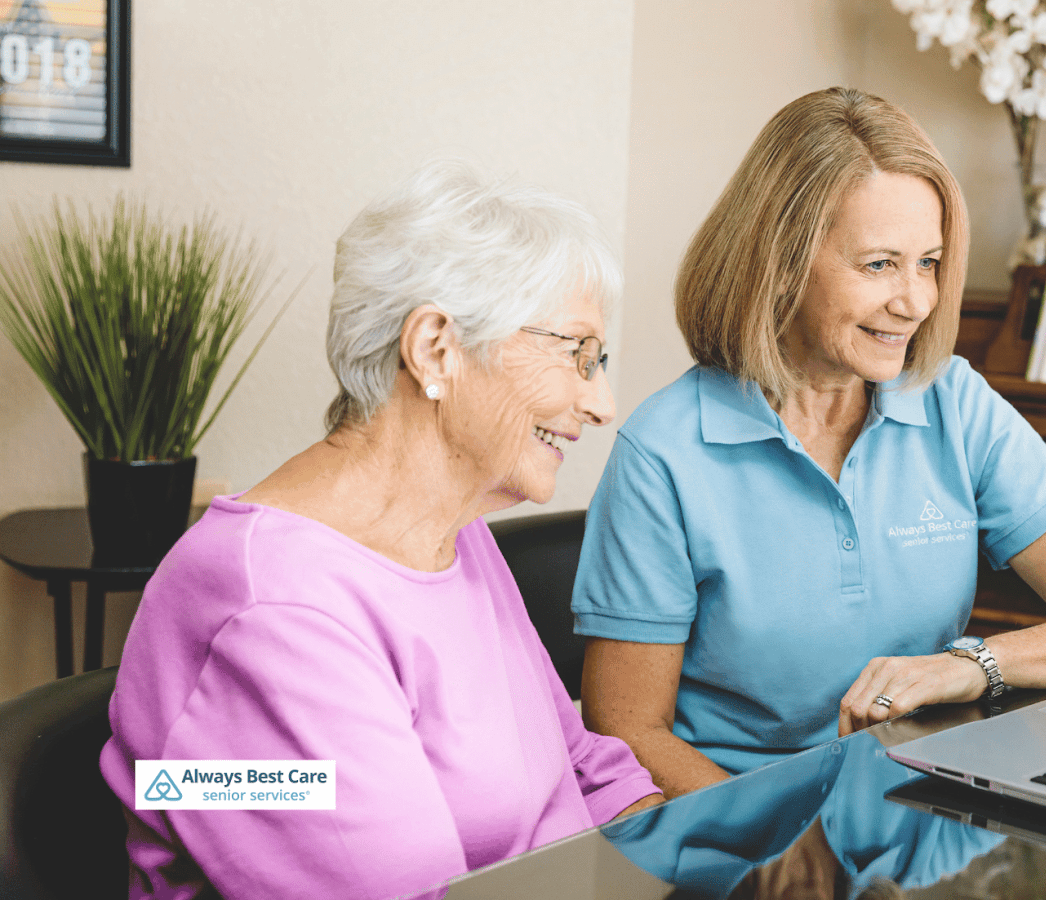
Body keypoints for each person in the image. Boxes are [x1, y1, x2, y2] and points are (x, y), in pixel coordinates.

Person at [572, 87, 1046, 799]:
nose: (916, 301)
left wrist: (970, 663)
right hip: (749, 837)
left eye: (928, 262)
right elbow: (627, 736)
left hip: (919, 813)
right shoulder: (663, 454)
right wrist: (775, 845)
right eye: (879, 265)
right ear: (780, 265)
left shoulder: (953, 402)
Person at [100, 161, 663, 900]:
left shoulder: (456, 533)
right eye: (577, 354)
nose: (602, 401)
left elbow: (584, 766)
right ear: (435, 348)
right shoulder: (269, 610)